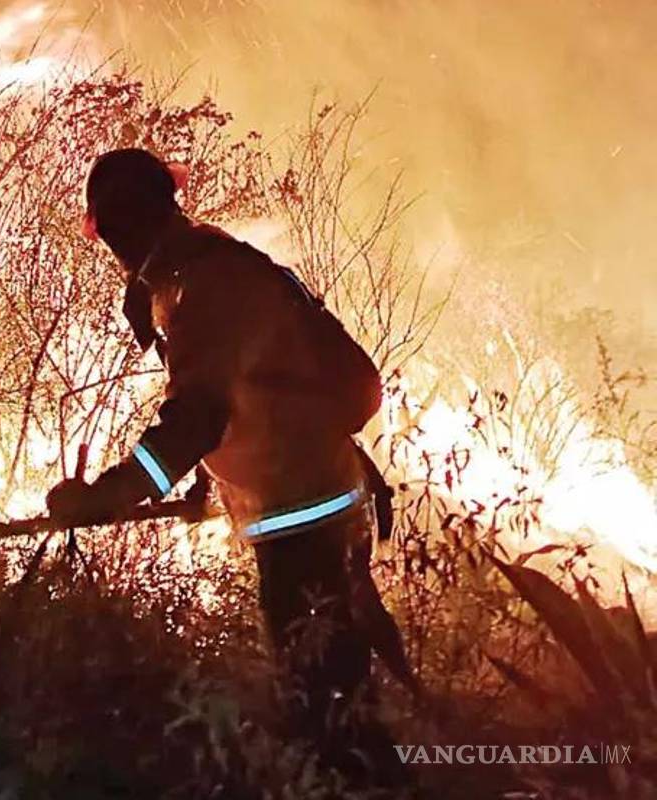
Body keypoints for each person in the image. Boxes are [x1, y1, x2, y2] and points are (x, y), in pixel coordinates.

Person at [45, 148, 416, 786]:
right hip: (318, 498)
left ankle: (370, 782)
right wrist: (201, 485)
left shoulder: (209, 285)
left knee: (327, 707)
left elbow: (199, 416)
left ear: (130, 220)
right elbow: (248, 395)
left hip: (304, 516)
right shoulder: (200, 270)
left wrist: (110, 496)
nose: (112, 248)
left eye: (110, 231)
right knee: (341, 682)